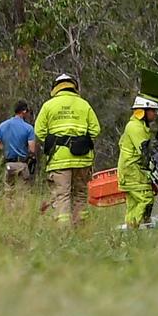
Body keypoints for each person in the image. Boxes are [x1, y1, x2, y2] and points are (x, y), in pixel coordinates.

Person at [34, 73, 101, 224]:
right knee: (80, 195)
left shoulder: (48, 105)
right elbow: (96, 130)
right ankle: (81, 230)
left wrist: (54, 141)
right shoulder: (84, 105)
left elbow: (39, 131)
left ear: (56, 88)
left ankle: (63, 234)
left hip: (59, 160)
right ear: (73, 87)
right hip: (82, 159)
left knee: (62, 196)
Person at [118, 96, 158, 227]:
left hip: (130, 170)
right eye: (153, 111)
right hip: (132, 170)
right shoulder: (135, 127)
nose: (155, 114)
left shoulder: (137, 126)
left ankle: (129, 231)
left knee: (133, 204)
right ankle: (136, 228)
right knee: (146, 198)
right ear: (142, 111)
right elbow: (145, 150)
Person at [0, 103, 38, 184]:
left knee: (9, 193)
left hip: (9, 164)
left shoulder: (3, 125)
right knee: (23, 194)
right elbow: (32, 150)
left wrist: (6, 148)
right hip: (22, 164)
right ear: (24, 111)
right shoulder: (29, 128)